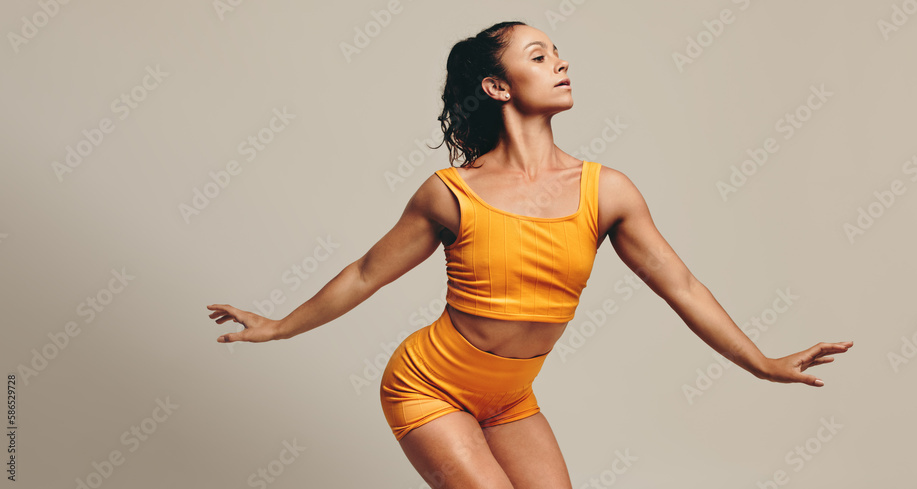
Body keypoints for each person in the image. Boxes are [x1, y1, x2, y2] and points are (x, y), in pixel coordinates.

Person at [206, 20, 854, 489]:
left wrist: (762, 363)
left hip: (512, 398)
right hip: (427, 385)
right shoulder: (450, 194)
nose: (561, 65)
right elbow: (367, 273)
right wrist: (278, 325)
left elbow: (681, 285)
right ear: (497, 85)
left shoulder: (608, 191)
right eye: (540, 57)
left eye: (559, 55)